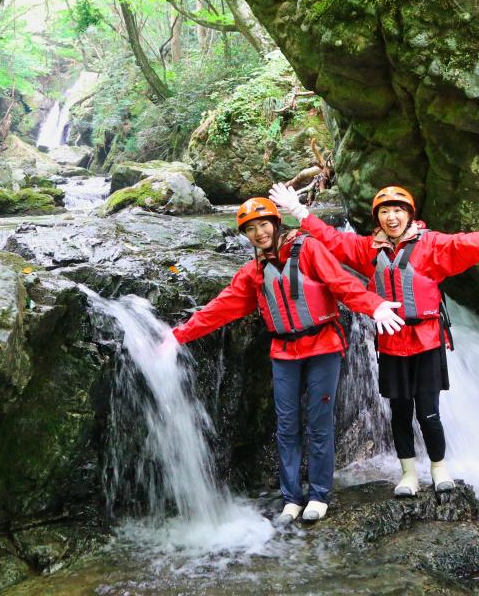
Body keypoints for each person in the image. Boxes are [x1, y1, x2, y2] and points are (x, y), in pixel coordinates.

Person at [269, 182, 479, 497]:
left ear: (409, 214)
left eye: (397, 210)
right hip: (391, 343)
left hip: (427, 341)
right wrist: (299, 211)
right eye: (385, 211)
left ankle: (440, 469)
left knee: (428, 411)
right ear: (377, 218)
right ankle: (408, 474)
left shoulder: (431, 246)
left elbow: (468, 245)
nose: (391, 217)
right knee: (400, 412)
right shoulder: (367, 250)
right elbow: (332, 240)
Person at [167, 196, 404, 524]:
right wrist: (177, 336)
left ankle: (319, 494)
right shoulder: (254, 272)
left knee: (319, 423)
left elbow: (341, 283)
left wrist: (373, 304)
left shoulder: (308, 249)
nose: (259, 233)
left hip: (323, 346)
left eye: (264, 225)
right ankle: (292, 497)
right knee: (287, 427)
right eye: (251, 229)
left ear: (276, 224)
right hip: (284, 353)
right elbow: (219, 309)